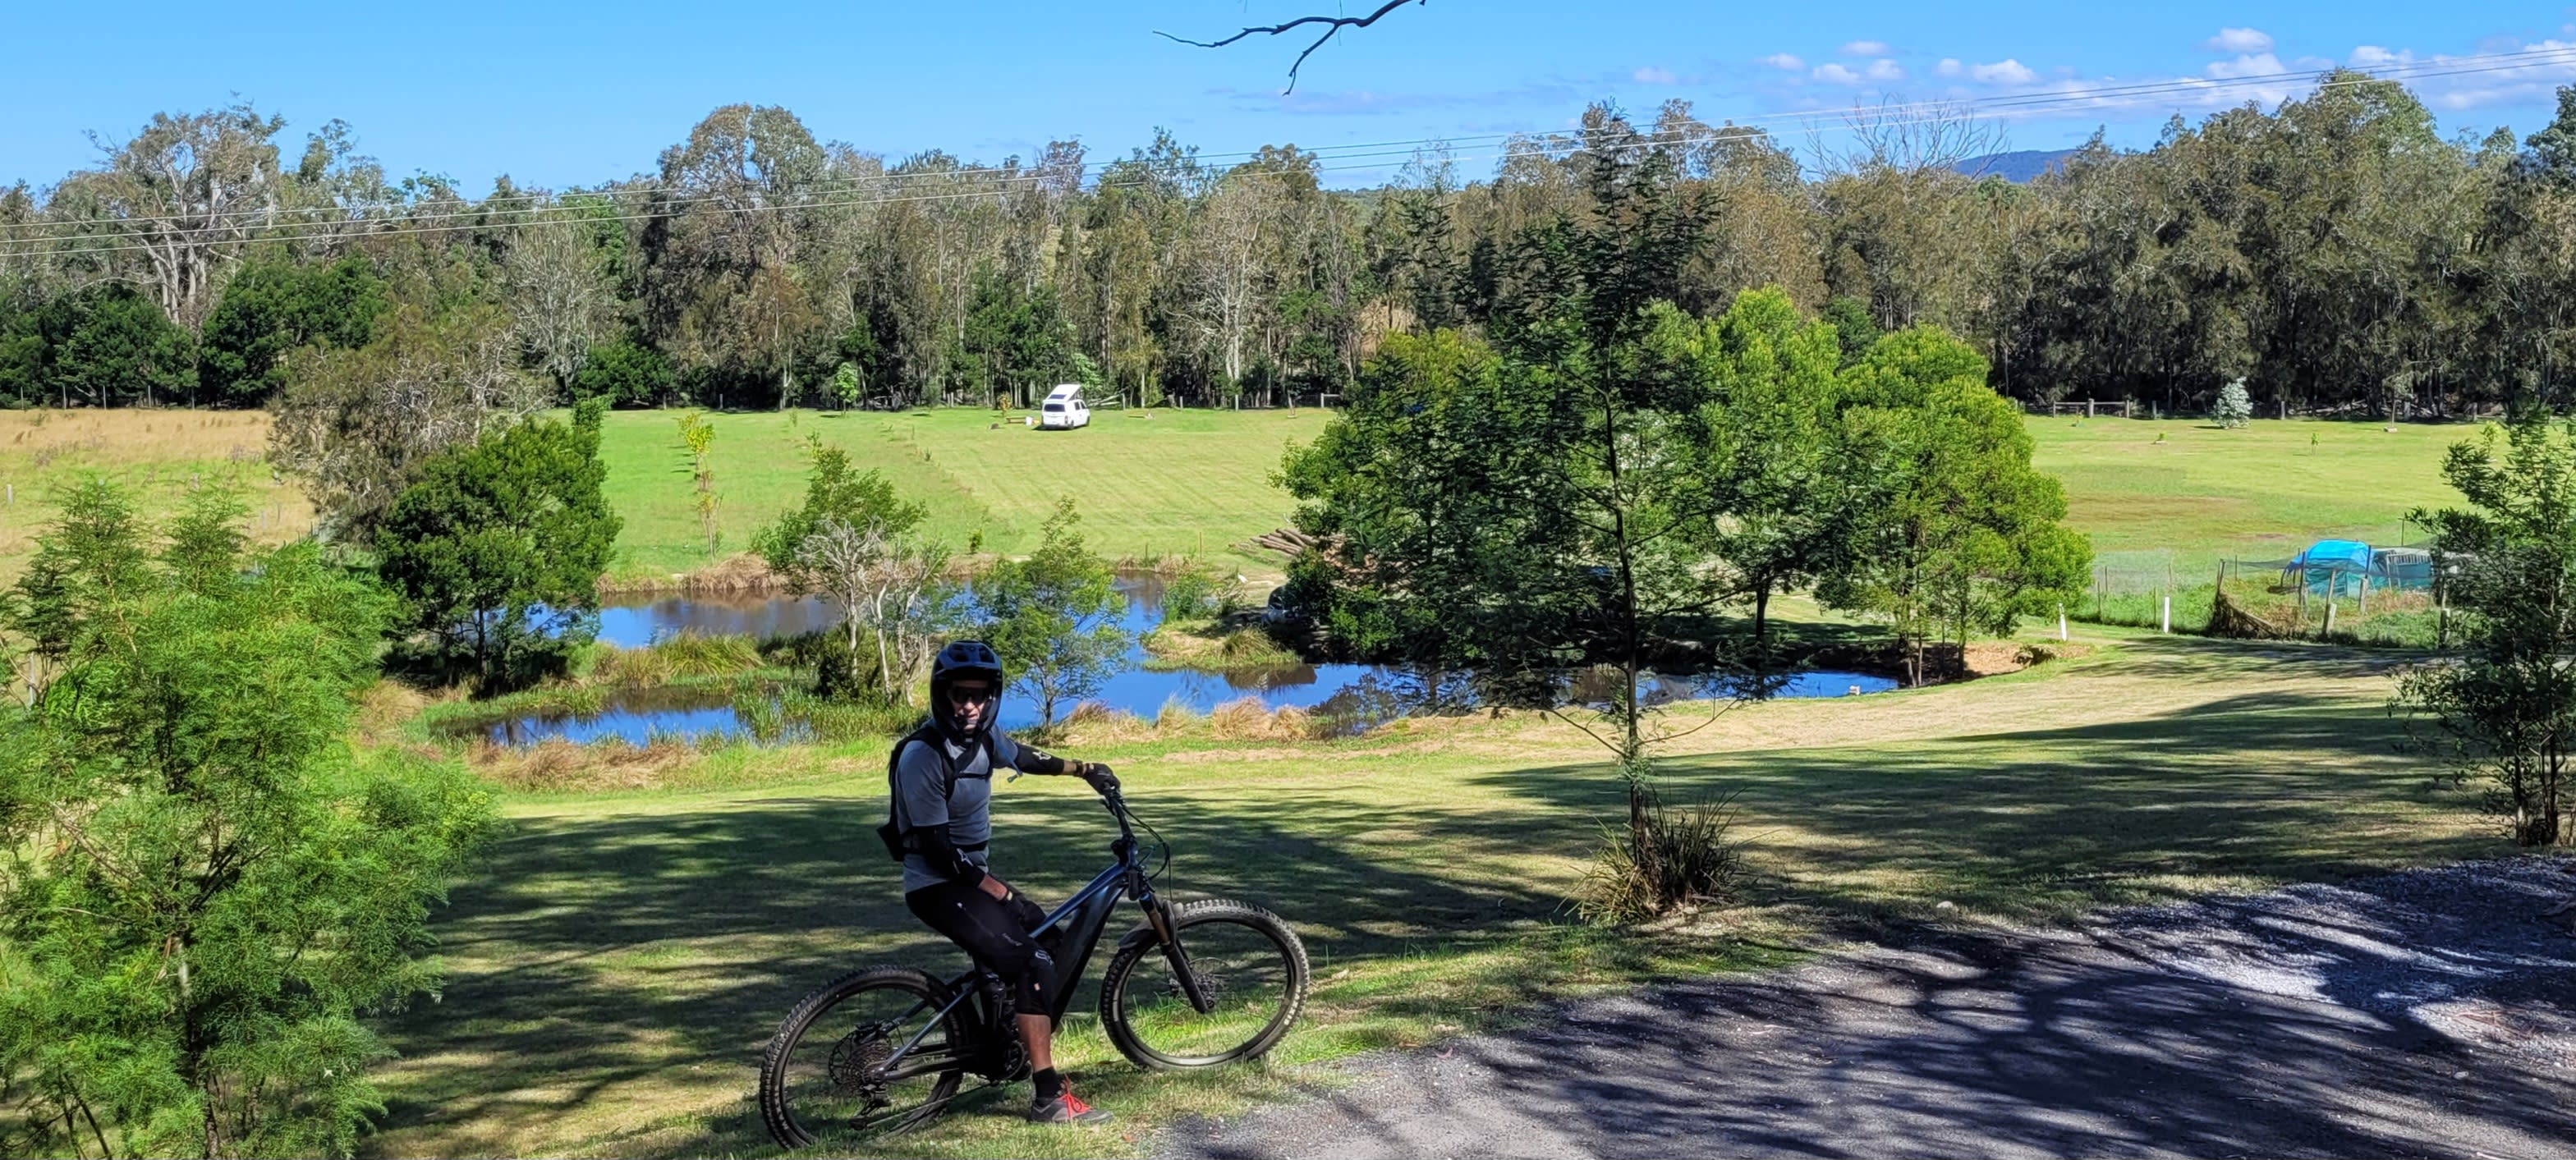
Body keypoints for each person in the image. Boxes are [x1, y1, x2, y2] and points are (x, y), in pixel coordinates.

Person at [888, 640, 1122, 1126]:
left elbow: (1030, 758)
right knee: (1032, 960)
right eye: (958, 695)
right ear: (941, 695)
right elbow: (937, 852)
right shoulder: (923, 756)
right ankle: (1047, 1096)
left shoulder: (985, 742)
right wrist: (1000, 891)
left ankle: (1004, 1038)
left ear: (991, 697)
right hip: (937, 886)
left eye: (977, 695)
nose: (968, 705)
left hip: (968, 881)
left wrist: (1084, 770)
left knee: (1049, 940)